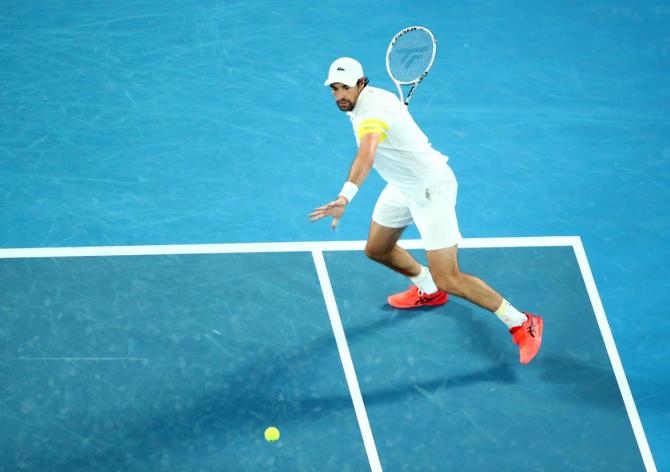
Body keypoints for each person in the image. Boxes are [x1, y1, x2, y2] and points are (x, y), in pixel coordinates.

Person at [309, 57, 543, 364]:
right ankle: (427, 288)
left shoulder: (371, 113)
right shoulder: (377, 99)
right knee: (377, 249)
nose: (340, 95)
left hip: (431, 188)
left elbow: (366, 154)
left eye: (345, 88)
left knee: (450, 277)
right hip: (403, 186)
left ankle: (521, 322)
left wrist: (345, 197)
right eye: (335, 88)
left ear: (362, 83)